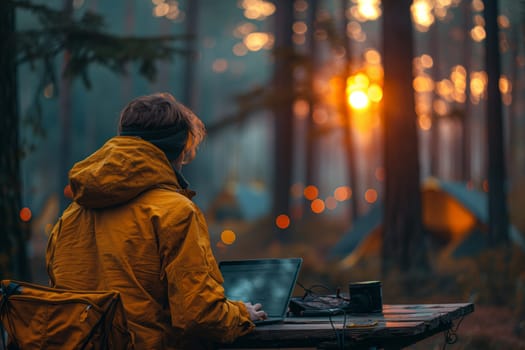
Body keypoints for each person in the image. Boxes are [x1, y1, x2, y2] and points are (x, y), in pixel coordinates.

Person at [46, 92, 267, 349]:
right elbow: (200, 315)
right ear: (180, 149)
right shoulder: (176, 212)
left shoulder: (73, 212)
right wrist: (241, 314)